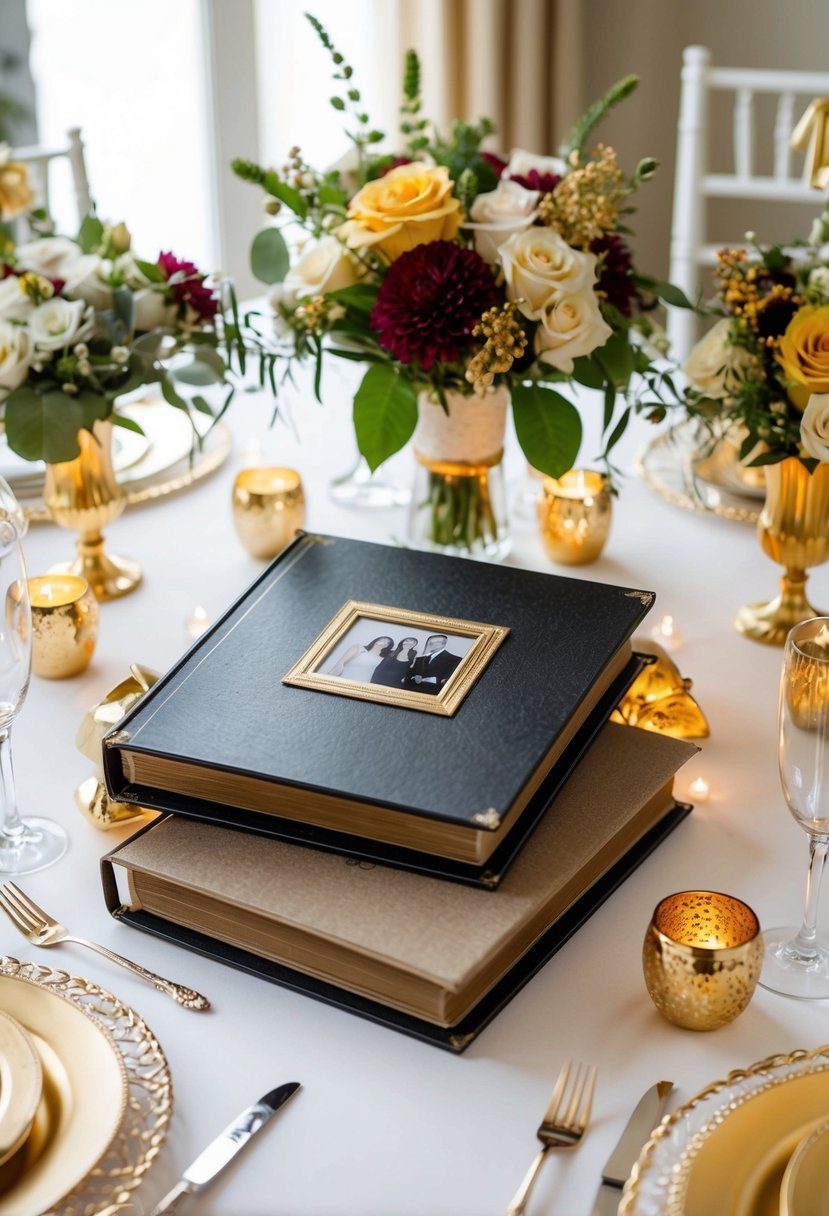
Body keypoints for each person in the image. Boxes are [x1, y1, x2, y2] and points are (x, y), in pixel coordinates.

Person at [327, 636, 394, 681]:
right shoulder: (358, 647)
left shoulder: (384, 659)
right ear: (376, 641)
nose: (383, 642)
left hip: (364, 685)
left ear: (388, 646)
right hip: (345, 679)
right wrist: (330, 677)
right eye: (381, 639)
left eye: (387, 642)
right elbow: (341, 662)